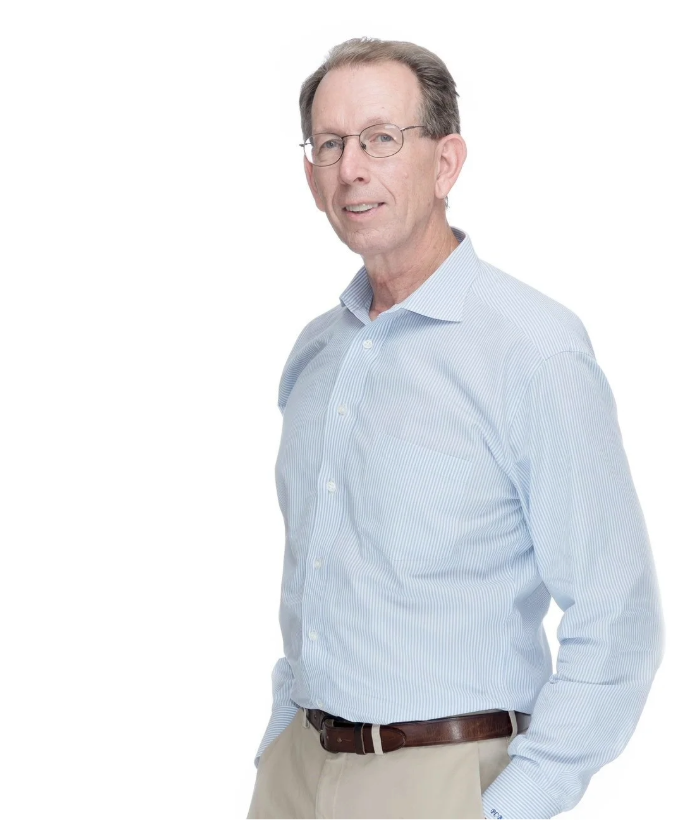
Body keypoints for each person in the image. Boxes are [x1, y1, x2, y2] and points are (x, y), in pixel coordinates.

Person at [245, 38, 664, 820]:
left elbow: (618, 620)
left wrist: (507, 806)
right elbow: (316, 577)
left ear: (445, 163)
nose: (351, 169)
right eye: (330, 145)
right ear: (310, 174)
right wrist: (280, 741)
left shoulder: (533, 351)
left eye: (380, 139)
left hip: (444, 780)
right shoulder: (316, 354)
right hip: (298, 772)